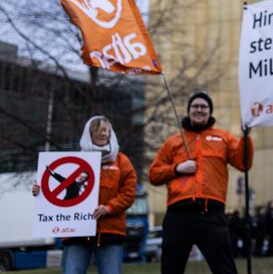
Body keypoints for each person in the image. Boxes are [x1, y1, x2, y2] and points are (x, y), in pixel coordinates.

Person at [149, 91, 253, 274]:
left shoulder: (224, 138)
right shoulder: (172, 142)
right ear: (189, 110)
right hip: (178, 215)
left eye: (203, 107)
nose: (199, 109)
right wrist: (177, 168)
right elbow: (154, 175)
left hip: (211, 214)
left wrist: (245, 137)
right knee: (171, 269)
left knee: (225, 270)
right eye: (195, 106)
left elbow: (243, 164)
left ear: (209, 111)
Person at [33, 116, 137, 274]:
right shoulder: (74, 161)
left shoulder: (122, 161)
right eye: (97, 130)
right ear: (89, 134)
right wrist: (39, 191)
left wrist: (109, 208)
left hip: (110, 231)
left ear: (111, 133)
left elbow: (129, 193)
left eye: (106, 130)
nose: (102, 134)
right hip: (77, 231)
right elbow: (52, 186)